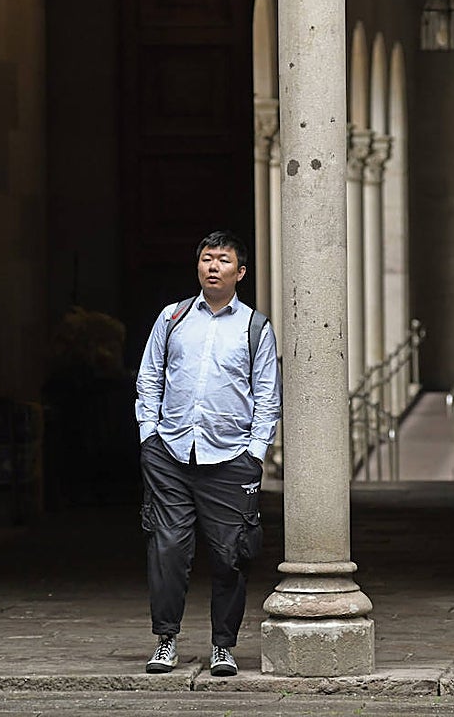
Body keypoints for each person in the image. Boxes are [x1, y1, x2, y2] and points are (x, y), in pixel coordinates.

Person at [134, 230, 281, 677]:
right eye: (205, 258)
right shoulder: (173, 317)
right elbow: (149, 379)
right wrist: (148, 436)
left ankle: (223, 645)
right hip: (170, 453)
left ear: (241, 272)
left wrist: (254, 454)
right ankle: (166, 639)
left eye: (222, 260)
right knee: (167, 548)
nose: (212, 266)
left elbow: (267, 397)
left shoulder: (256, 328)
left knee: (231, 553)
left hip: (230, 457)